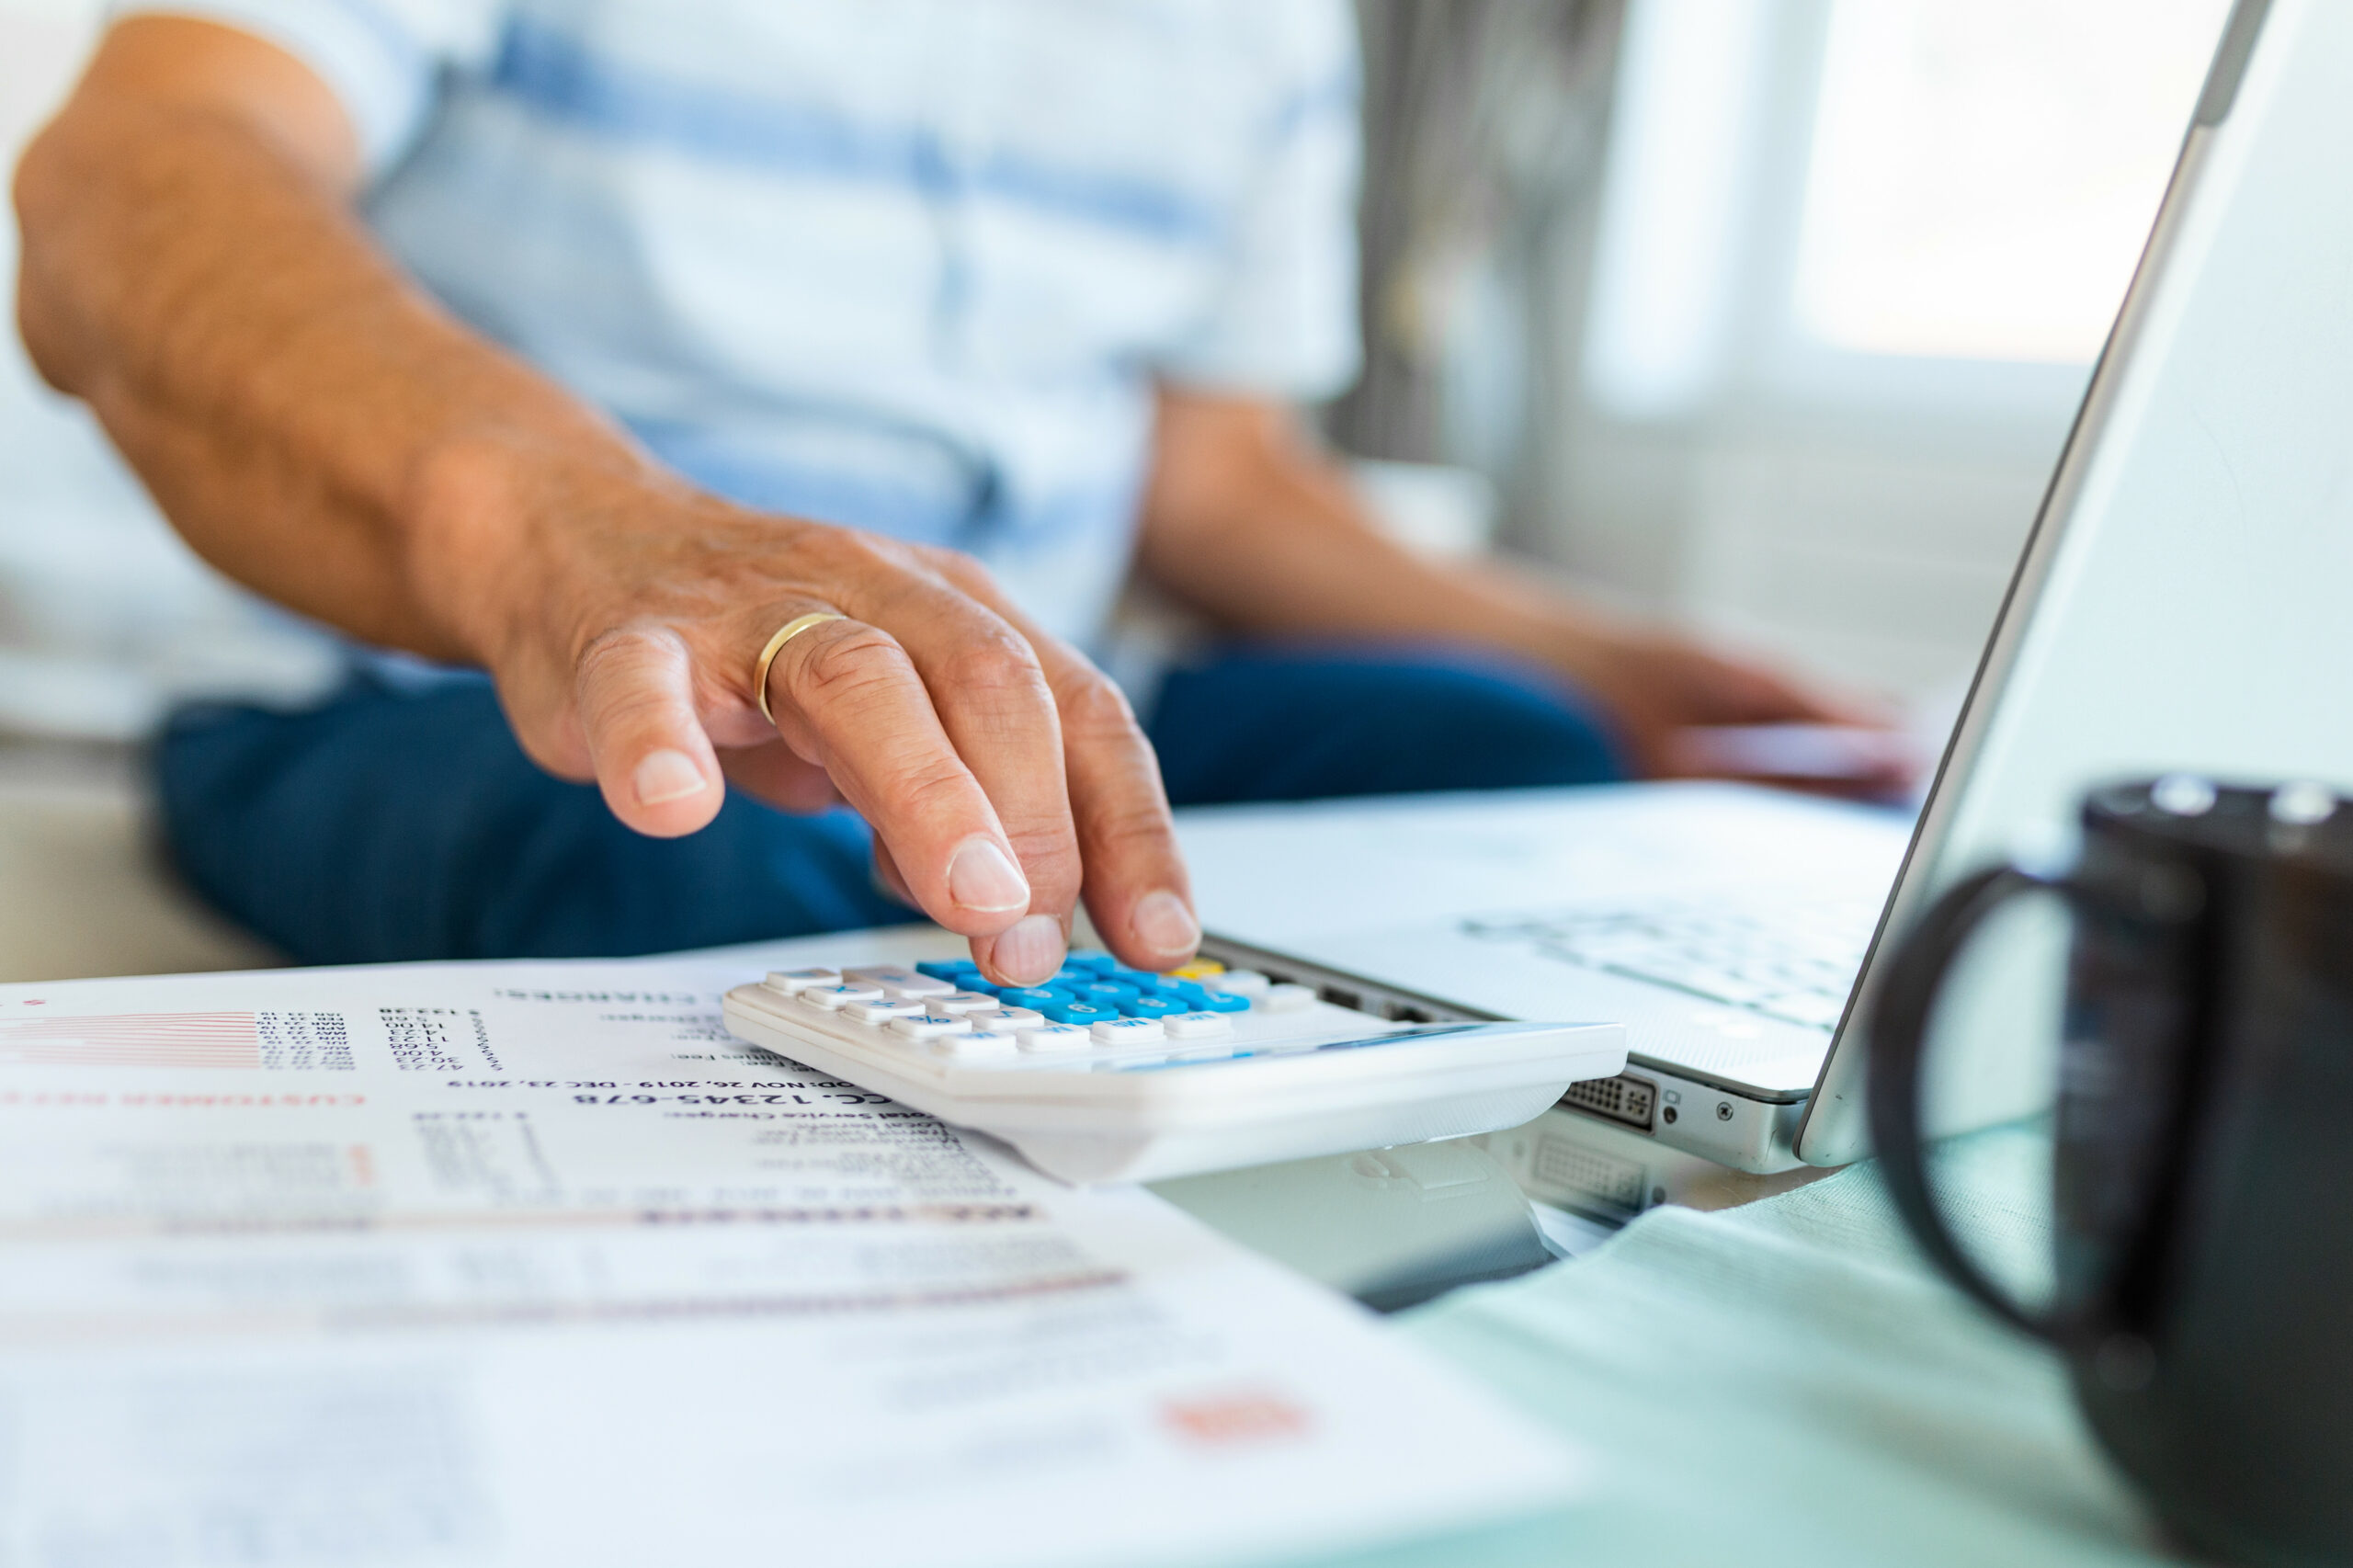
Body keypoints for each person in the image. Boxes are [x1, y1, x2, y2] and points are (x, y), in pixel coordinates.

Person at [14, 1, 1870, 990]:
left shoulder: (1260, 29)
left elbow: (1210, 478)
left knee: (1511, 755)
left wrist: (1615, 664)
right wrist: (574, 532)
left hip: (996, 700)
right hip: (442, 695)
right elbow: (123, 184)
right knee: (693, 856)